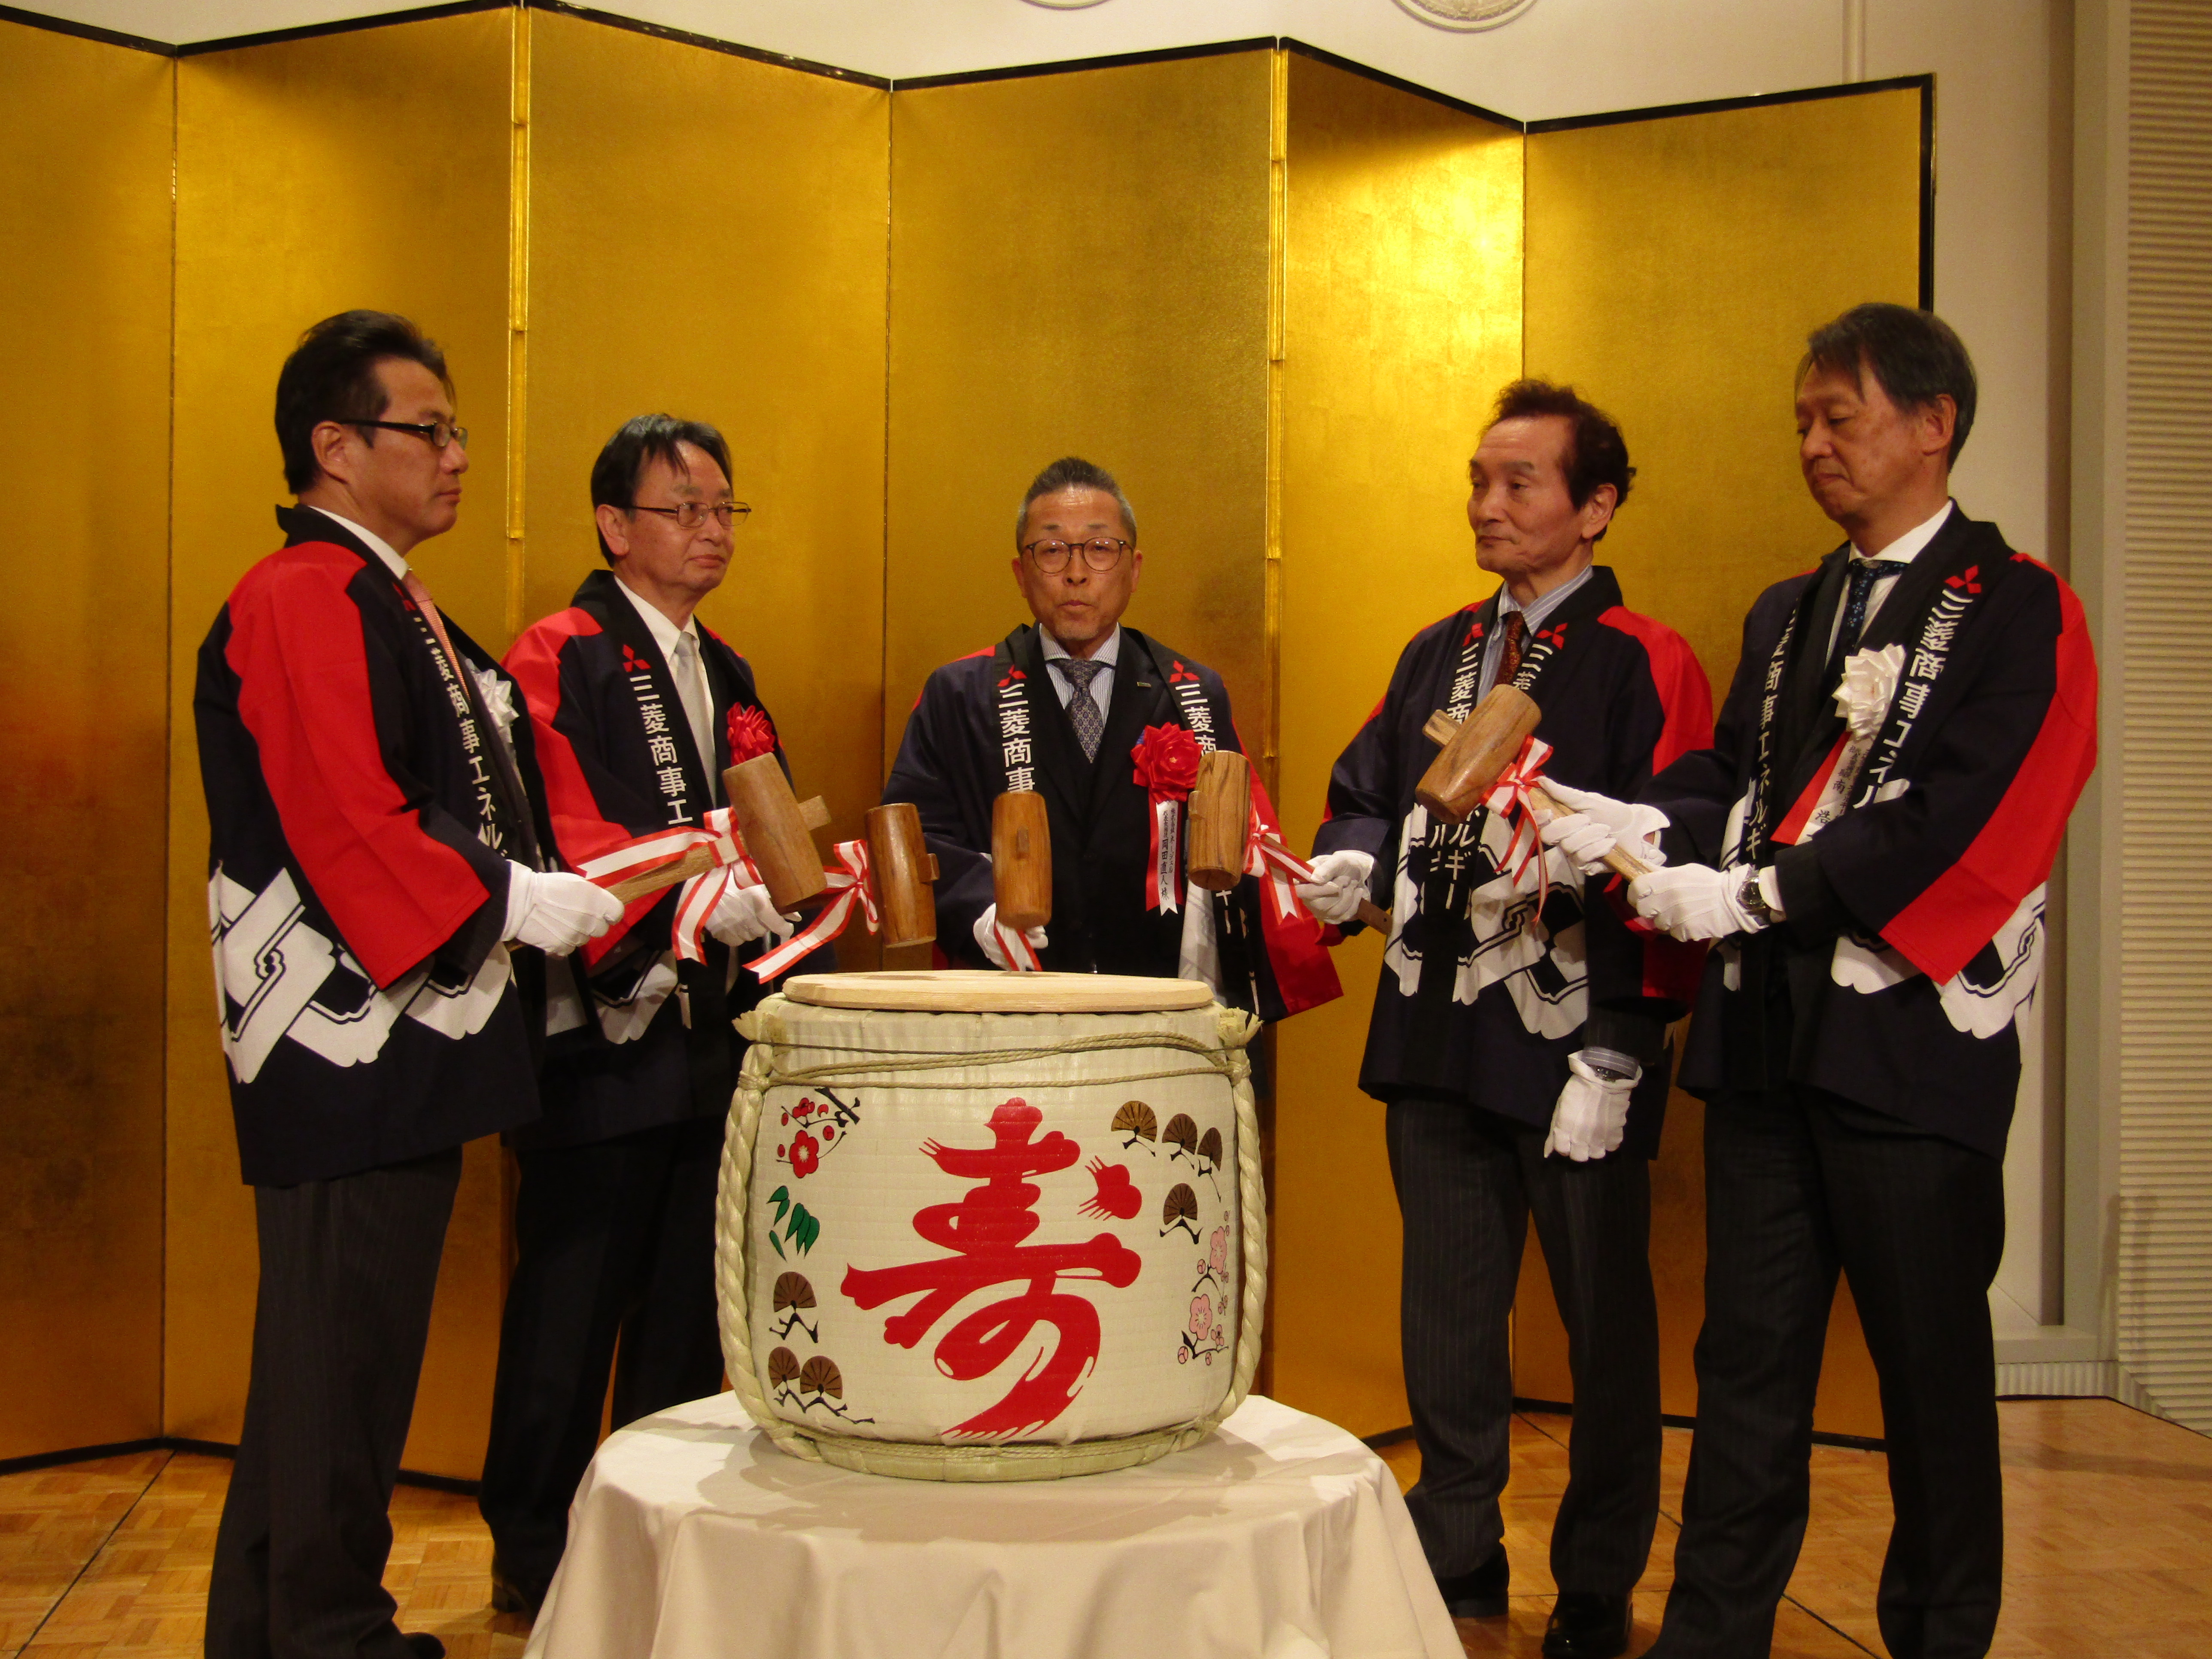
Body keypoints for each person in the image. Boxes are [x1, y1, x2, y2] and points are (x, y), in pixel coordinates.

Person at [1544, 304, 2098, 1659]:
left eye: (1836, 418)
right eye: (1801, 419)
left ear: (1932, 424)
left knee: (1929, 1375)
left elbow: (1972, 813)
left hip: (1907, 1053)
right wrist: (1626, 824)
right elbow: (1731, 782)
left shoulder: (2015, 605)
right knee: (1746, 1367)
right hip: (1764, 1047)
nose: (1812, 445)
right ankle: (1712, 1636)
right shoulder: (1793, 611)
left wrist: (1765, 891)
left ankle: (1940, 1636)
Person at [198, 311, 623, 1659]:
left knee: (328, 1368)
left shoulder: (396, 597)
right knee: (342, 1362)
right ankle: (329, 1634)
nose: (453, 457)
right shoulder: (301, 591)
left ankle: (271, 1629)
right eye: (424, 430)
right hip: (341, 1035)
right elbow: (345, 808)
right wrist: (504, 897)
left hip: (401, 1038)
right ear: (334, 447)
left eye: (455, 432)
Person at [1298, 381, 1711, 1659]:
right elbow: (1363, 786)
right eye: (1479, 478)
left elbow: (1680, 842)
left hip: (1572, 1028)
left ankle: (1596, 1577)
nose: (1487, 503)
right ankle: (1457, 1545)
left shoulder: (1648, 657)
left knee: (1604, 1320)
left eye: (1519, 482)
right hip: (1437, 1023)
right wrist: (1352, 858)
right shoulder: (1439, 648)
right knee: (1447, 1310)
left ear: (1597, 506)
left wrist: (1628, 1044)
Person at [479, 416, 810, 1613]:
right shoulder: (559, 650)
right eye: (683, 508)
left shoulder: (724, 667)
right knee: (572, 1298)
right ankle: (533, 1549)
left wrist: (775, 891)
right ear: (616, 527)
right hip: (604, 1034)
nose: (711, 529)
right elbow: (557, 825)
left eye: (725, 508)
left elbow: (763, 810)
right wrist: (685, 899)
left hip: (711, 1033)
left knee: (688, 1303)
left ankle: (659, 1538)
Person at [882, 455, 1338, 1020]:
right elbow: (914, 834)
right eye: (1052, 550)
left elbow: (1239, 846)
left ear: (1135, 568)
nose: (1076, 573)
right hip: (1009, 1007)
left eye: (1100, 549)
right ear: (1021, 574)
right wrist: (981, 910)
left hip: (1156, 1007)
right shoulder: (960, 694)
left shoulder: (1192, 694)